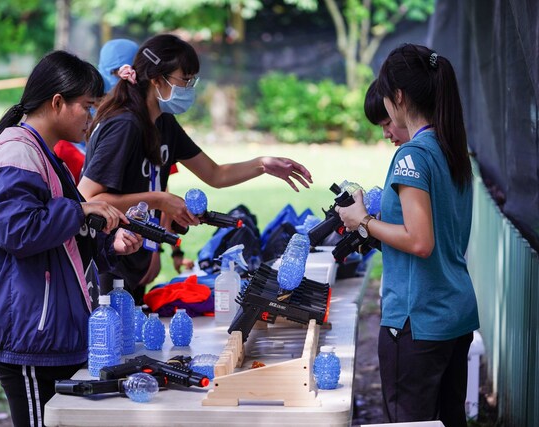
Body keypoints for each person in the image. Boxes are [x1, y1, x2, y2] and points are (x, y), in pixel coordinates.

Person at [0, 50, 142, 427]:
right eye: (88, 107)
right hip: (25, 336)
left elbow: (62, 238)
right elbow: (17, 232)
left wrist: (110, 244)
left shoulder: (44, 155)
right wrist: (80, 210)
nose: (92, 119)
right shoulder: (15, 151)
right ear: (58, 102)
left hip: (48, 333)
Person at [78, 33, 313, 303]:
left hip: (136, 254)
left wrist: (263, 164)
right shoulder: (124, 126)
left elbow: (215, 174)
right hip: (109, 259)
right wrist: (161, 201)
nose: (189, 88)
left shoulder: (164, 123)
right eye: (184, 80)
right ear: (156, 80)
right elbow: (87, 199)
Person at [337, 44, 479, 426]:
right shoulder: (451, 148)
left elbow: (420, 241)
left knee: (411, 423)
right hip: (454, 314)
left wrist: (363, 220)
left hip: (419, 321)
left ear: (397, 96)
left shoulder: (412, 156)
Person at [54, 39, 140, 183]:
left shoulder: (151, 123)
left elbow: (159, 184)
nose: (124, 79)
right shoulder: (64, 150)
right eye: (91, 105)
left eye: (131, 72)